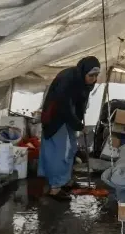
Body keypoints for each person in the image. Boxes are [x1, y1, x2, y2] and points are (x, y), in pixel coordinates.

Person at [39, 56, 100, 201]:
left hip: (68, 116)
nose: (93, 79)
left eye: (96, 75)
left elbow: (80, 102)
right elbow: (63, 106)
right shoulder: (67, 79)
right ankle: (55, 187)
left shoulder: (84, 82)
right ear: (83, 72)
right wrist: (78, 125)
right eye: (91, 75)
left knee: (71, 148)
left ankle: (65, 180)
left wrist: (79, 117)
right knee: (59, 152)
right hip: (55, 118)